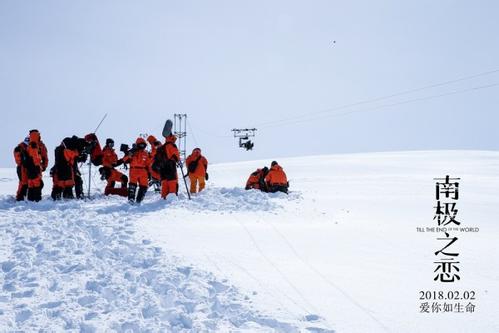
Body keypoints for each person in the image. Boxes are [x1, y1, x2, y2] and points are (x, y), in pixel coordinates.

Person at [123, 137, 150, 204]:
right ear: (137, 144)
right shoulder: (132, 151)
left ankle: (139, 200)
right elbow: (124, 160)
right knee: (132, 185)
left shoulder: (146, 153)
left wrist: (149, 173)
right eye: (140, 144)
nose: (142, 146)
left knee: (144, 186)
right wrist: (129, 155)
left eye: (143, 145)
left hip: (143, 171)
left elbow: (148, 164)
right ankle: (131, 199)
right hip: (133, 169)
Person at [152, 134, 180, 199]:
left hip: (162, 169)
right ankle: (172, 198)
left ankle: (163, 198)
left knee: (164, 183)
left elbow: (155, 160)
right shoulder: (170, 145)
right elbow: (175, 154)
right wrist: (176, 159)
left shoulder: (160, 149)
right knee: (172, 182)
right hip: (170, 166)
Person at [24, 130, 47, 201]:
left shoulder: (29, 145)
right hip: (36, 167)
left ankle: (31, 200)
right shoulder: (36, 145)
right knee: (37, 183)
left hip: (29, 168)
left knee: (31, 183)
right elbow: (37, 157)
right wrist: (41, 166)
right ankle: (37, 200)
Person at [13, 137, 29, 201]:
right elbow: (18, 159)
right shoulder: (18, 148)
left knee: (25, 182)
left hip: (25, 167)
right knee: (22, 182)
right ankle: (19, 197)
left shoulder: (26, 148)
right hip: (21, 167)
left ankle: (23, 196)